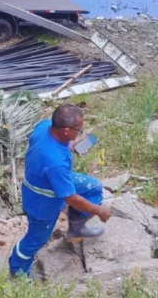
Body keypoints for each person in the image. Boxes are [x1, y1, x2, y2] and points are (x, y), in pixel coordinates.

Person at [8, 104, 111, 279]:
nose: (80, 133)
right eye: (78, 130)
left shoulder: (44, 127)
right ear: (65, 130)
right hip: (42, 202)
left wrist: (71, 144)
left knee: (92, 187)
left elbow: (53, 141)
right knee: (36, 239)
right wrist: (99, 211)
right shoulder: (55, 161)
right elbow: (70, 197)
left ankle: (76, 229)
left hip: (48, 180)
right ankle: (17, 268)